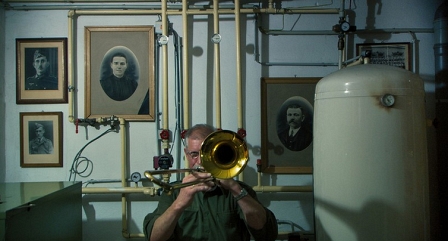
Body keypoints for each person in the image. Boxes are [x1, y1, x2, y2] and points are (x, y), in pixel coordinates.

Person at [143, 124, 278, 241]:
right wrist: (179, 204)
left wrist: (235, 189)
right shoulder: (173, 192)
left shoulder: (239, 191)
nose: (201, 162)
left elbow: (267, 234)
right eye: (194, 154)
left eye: (205, 154)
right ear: (186, 154)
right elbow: (155, 238)